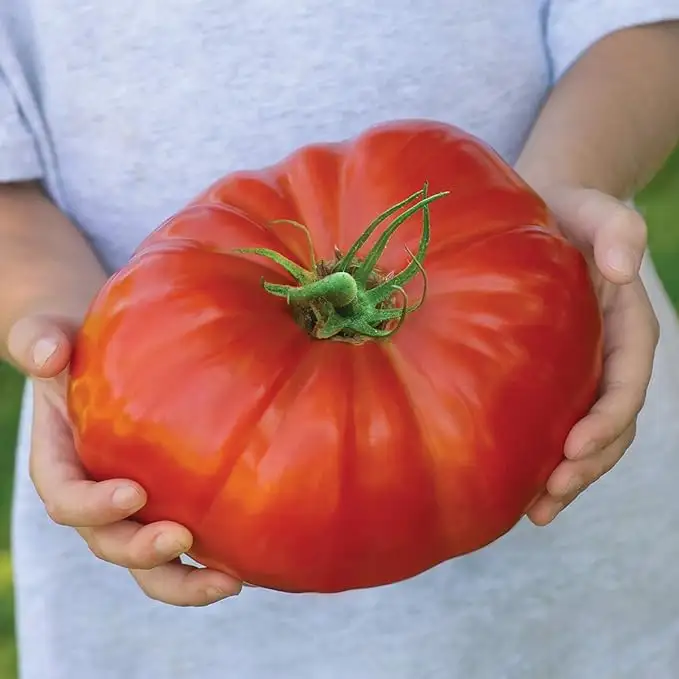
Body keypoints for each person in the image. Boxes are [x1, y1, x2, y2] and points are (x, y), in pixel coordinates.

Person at [1, 1, 679, 677]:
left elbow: (647, 23)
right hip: (151, 550)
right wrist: (67, 335)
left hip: (582, 496)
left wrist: (564, 190)